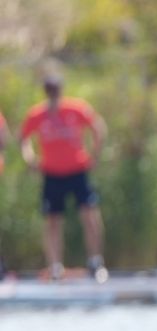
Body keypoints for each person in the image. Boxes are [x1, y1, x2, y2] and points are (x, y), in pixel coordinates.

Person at [19, 74, 108, 282]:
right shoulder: (37, 115)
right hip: (52, 173)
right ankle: (55, 266)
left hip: (77, 170)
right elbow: (24, 138)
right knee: (52, 220)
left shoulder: (75, 109)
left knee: (90, 215)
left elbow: (97, 127)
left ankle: (96, 262)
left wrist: (95, 154)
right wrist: (30, 158)